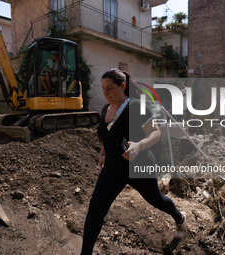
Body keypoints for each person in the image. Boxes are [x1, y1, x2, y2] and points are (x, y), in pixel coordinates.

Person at [80, 68, 187, 254]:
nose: (106, 93)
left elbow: (156, 133)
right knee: (95, 210)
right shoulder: (106, 108)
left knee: (157, 200)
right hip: (113, 169)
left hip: (139, 166)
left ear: (123, 86)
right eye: (103, 88)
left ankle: (179, 218)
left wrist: (139, 146)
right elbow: (109, 134)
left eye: (110, 88)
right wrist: (103, 151)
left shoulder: (136, 107)